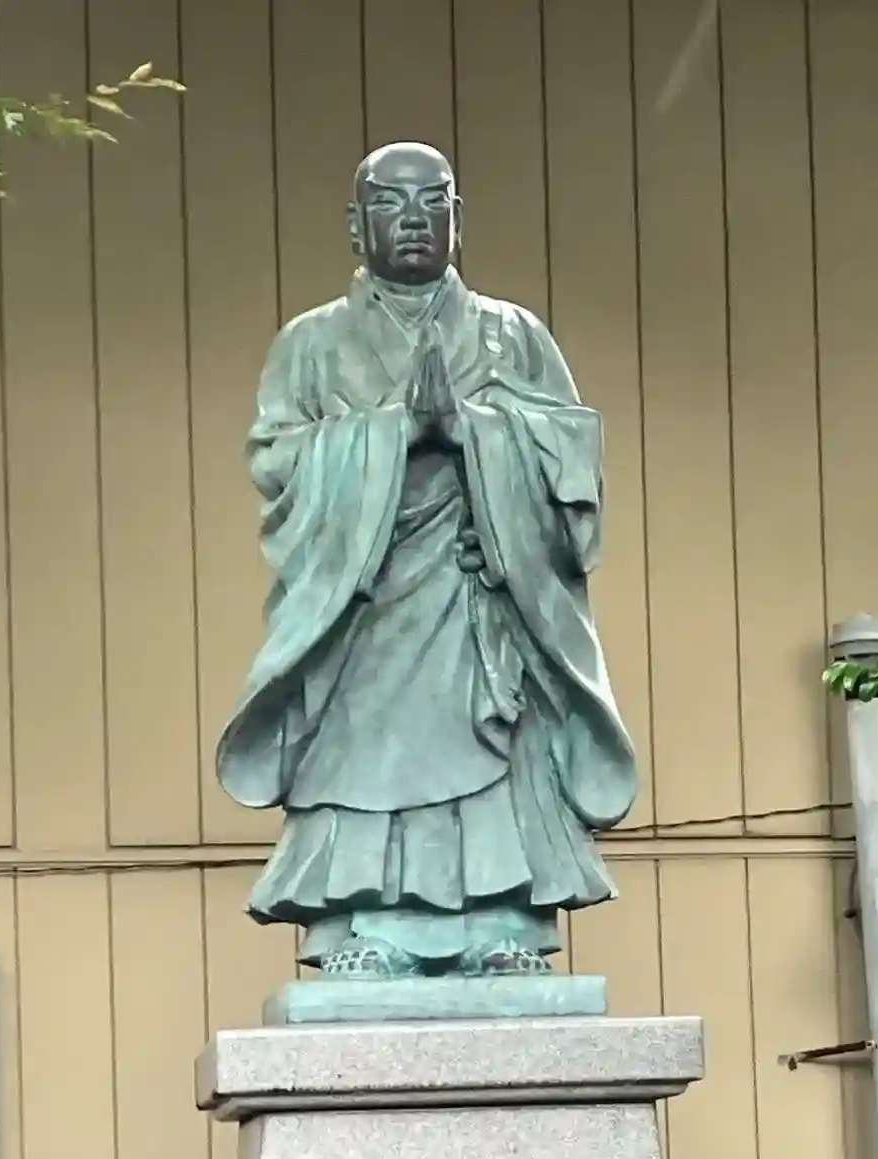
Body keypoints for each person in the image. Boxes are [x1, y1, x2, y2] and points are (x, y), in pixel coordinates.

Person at [216, 140, 637, 979]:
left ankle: (502, 921)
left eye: (430, 201)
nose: (413, 220)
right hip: (367, 598)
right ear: (356, 224)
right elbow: (277, 458)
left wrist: (477, 438)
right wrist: (395, 433)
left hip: (482, 589)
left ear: (457, 218)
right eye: (389, 202)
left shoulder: (514, 335)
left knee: (502, 757)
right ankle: (369, 926)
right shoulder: (311, 343)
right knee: (364, 755)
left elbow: (570, 455)